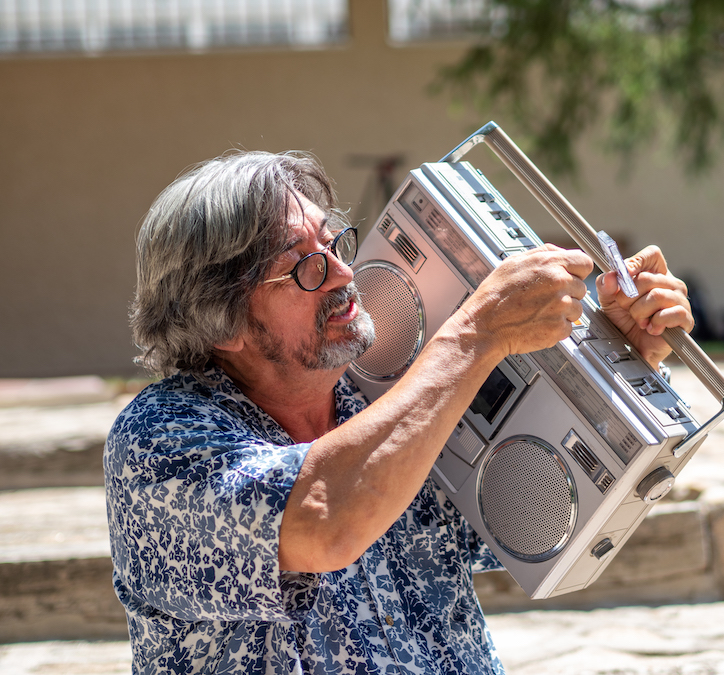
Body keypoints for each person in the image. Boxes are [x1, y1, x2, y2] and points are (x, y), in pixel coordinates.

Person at [104, 150, 693, 675]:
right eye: (304, 266)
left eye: (333, 243)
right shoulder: (159, 443)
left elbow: (550, 512)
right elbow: (325, 520)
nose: (341, 273)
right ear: (222, 319)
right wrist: (475, 334)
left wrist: (619, 355)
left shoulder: (390, 396)